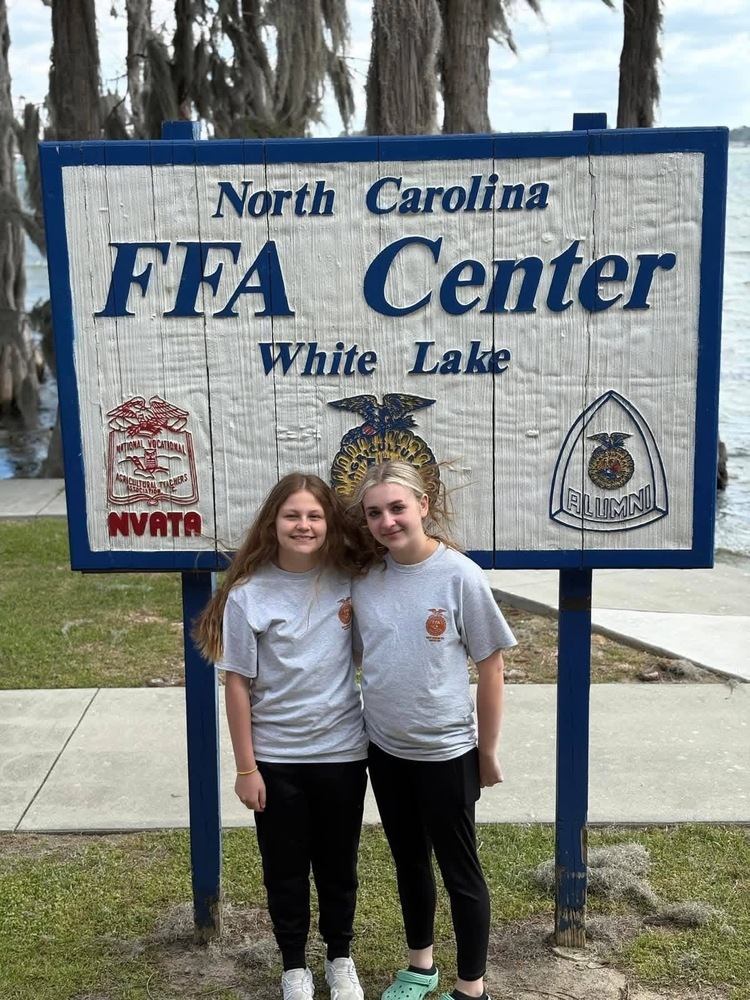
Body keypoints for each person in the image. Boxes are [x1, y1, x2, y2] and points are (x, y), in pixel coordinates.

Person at [194, 473, 371, 1000]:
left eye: (315, 516)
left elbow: (367, 650)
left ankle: (340, 958)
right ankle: (294, 966)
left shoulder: (351, 582)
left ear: (329, 523)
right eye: (293, 515)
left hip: (342, 752)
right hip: (276, 758)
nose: (304, 525)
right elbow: (236, 685)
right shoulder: (249, 594)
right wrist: (247, 768)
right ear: (273, 522)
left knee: (340, 866)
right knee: (285, 869)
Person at [349, 460, 516, 1000]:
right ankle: (420, 967)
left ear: (423, 505)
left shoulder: (459, 576)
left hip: (446, 753)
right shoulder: (367, 580)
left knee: (460, 872)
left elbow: (492, 665)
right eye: (375, 512)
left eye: (397, 507)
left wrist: (486, 751)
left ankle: (472, 989)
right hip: (385, 751)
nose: (388, 521)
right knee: (409, 861)